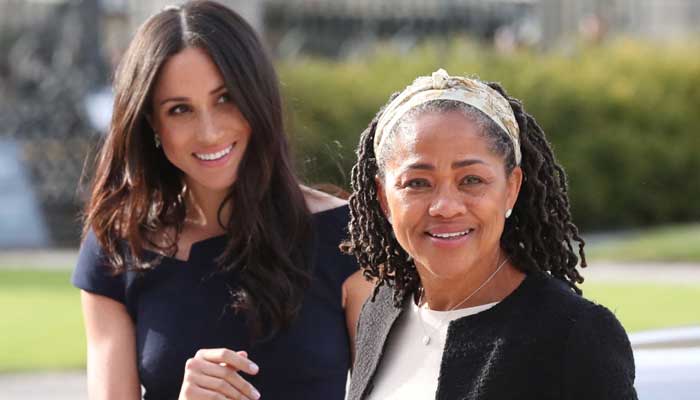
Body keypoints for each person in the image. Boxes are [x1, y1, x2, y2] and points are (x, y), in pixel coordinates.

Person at [72, 1, 371, 399]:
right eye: (179, 109)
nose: (209, 132)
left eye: (225, 98)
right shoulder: (119, 245)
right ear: (151, 123)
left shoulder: (350, 238)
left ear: (258, 97)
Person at [343, 69, 638, 400]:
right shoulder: (379, 313)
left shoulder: (573, 335)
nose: (445, 207)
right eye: (417, 183)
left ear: (511, 189)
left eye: (471, 180)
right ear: (384, 198)